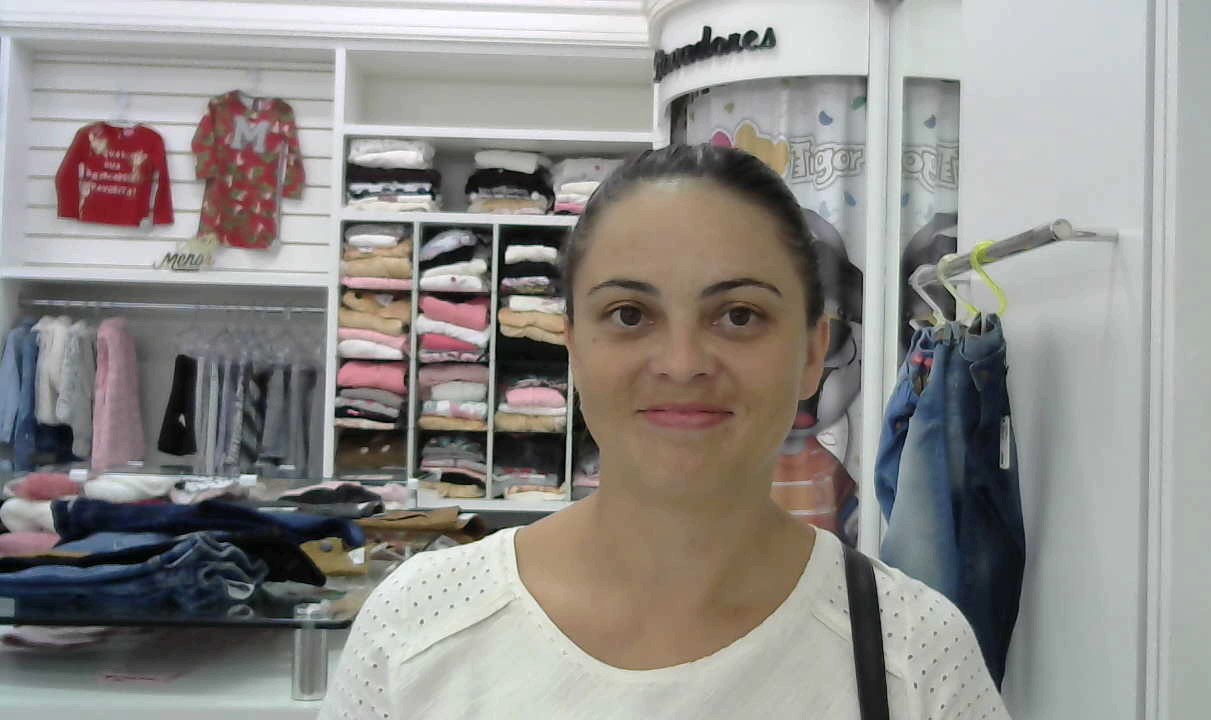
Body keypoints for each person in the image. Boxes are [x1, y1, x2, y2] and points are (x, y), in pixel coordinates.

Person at [320, 144, 1010, 719]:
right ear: (572, 348)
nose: (682, 364)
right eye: (629, 315)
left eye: (739, 315)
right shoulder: (417, 627)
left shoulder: (915, 652)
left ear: (811, 353)